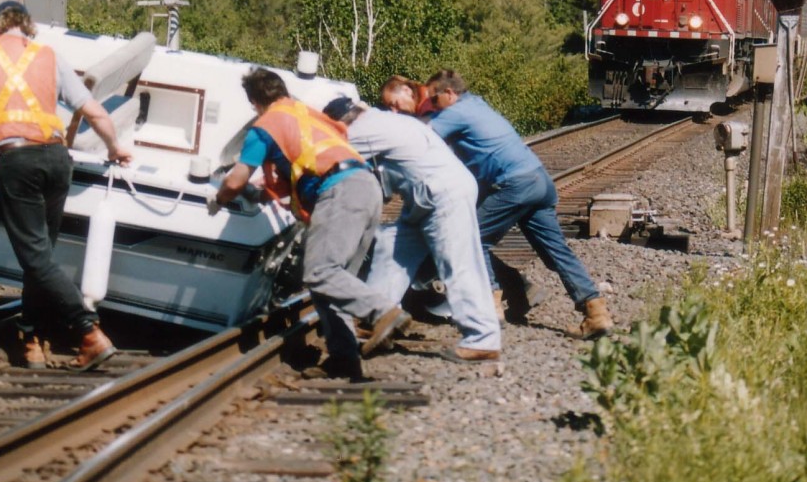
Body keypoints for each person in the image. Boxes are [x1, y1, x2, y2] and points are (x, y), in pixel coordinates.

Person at [0, 0, 134, 371]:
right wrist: (115, 147)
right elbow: (93, 110)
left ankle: (89, 333)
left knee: (35, 257)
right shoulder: (50, 56)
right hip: (58, 161)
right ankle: (31, 339)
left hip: (17, 161)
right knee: (40, 256)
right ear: (27, 29)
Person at [211, 68, 409, 381]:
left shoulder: (265, 126)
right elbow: (301, 169)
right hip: (365, 187)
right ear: (282, 92)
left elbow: (235, 180)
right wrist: (265, 193)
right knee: (332, 283)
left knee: (320, 272)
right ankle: (344, 358)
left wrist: (219, 199)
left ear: (255, 103)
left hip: (340, 191)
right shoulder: (306, 115)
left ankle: (383, 312)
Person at [424, 69, 613, 338]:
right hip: (539, 180)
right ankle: (596, 312)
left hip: (515, 185)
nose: (432, 106)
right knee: (556, 251)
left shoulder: (455, 113)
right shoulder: (478, 104)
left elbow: (422, 138)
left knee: (470, 238)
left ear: (449, 94)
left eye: (434, 99)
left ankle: (489, 306)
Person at [322, 96, 501, 363]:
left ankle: (483, 339)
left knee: (458, 264)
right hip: (426, 195)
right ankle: (379, 317)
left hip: (440, 194)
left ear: (343, 121)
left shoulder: (361, 129)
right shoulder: (386, 119)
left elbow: (327, 159)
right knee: (390, 245)